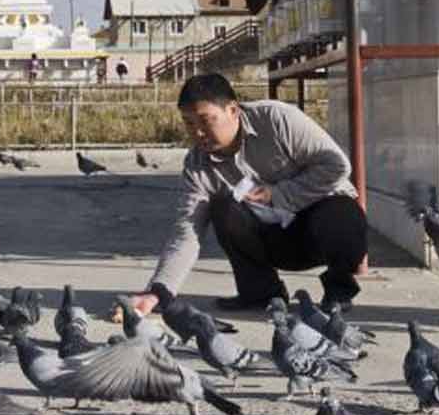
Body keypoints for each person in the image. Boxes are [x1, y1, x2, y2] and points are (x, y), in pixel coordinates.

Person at [131, 71, 367, 315]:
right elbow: (187, 231)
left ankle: (339, 291)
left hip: (320, 226)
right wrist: (159, 291)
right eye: (189, 123)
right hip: (276, 241)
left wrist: (277, 194)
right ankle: (260, 293)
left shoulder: (277, 119)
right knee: (223, 207)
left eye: (205, 120)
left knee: (342, 213)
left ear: (233, 110)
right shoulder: (197, 165)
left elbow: (337, 166)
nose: (197, 132)